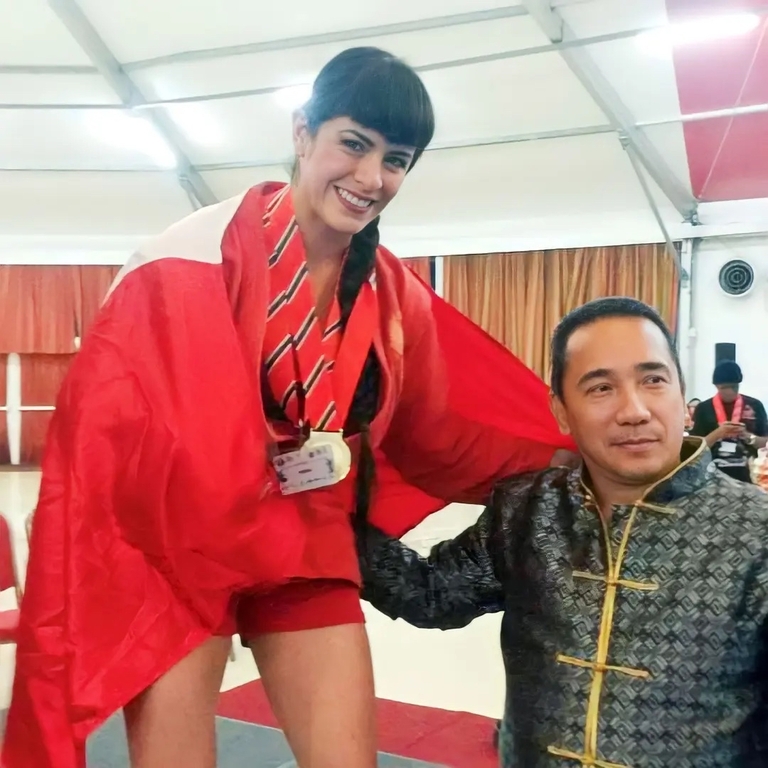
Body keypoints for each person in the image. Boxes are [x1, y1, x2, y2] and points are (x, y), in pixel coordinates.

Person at [4, 48, 575, 768]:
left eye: (396, 160)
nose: (371, 177)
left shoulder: (390, 294)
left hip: (301, 548)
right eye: (354, 144)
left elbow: (444, 436)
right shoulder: (188, 259)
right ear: (303, 131)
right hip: (175, 561)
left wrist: (578, 457)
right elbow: (109, 429)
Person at [357, 297, 768, 768]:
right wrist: (324, 511)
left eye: (653, 380)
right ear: (561, 411)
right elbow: (431, 595)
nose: (634, 410)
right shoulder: (528, 510)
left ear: (681, 393)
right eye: (601, 388)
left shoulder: (755, 532)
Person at [689, 360, 768, 482]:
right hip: (711, 473)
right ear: (716, 386)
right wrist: (718, 433)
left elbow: (765, 443)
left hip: (747, 472)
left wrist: (747, 436)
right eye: (725, 387)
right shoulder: (704, 408)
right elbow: (696, 448)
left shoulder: (754, 405)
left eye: (734, 387)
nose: (730, 391)